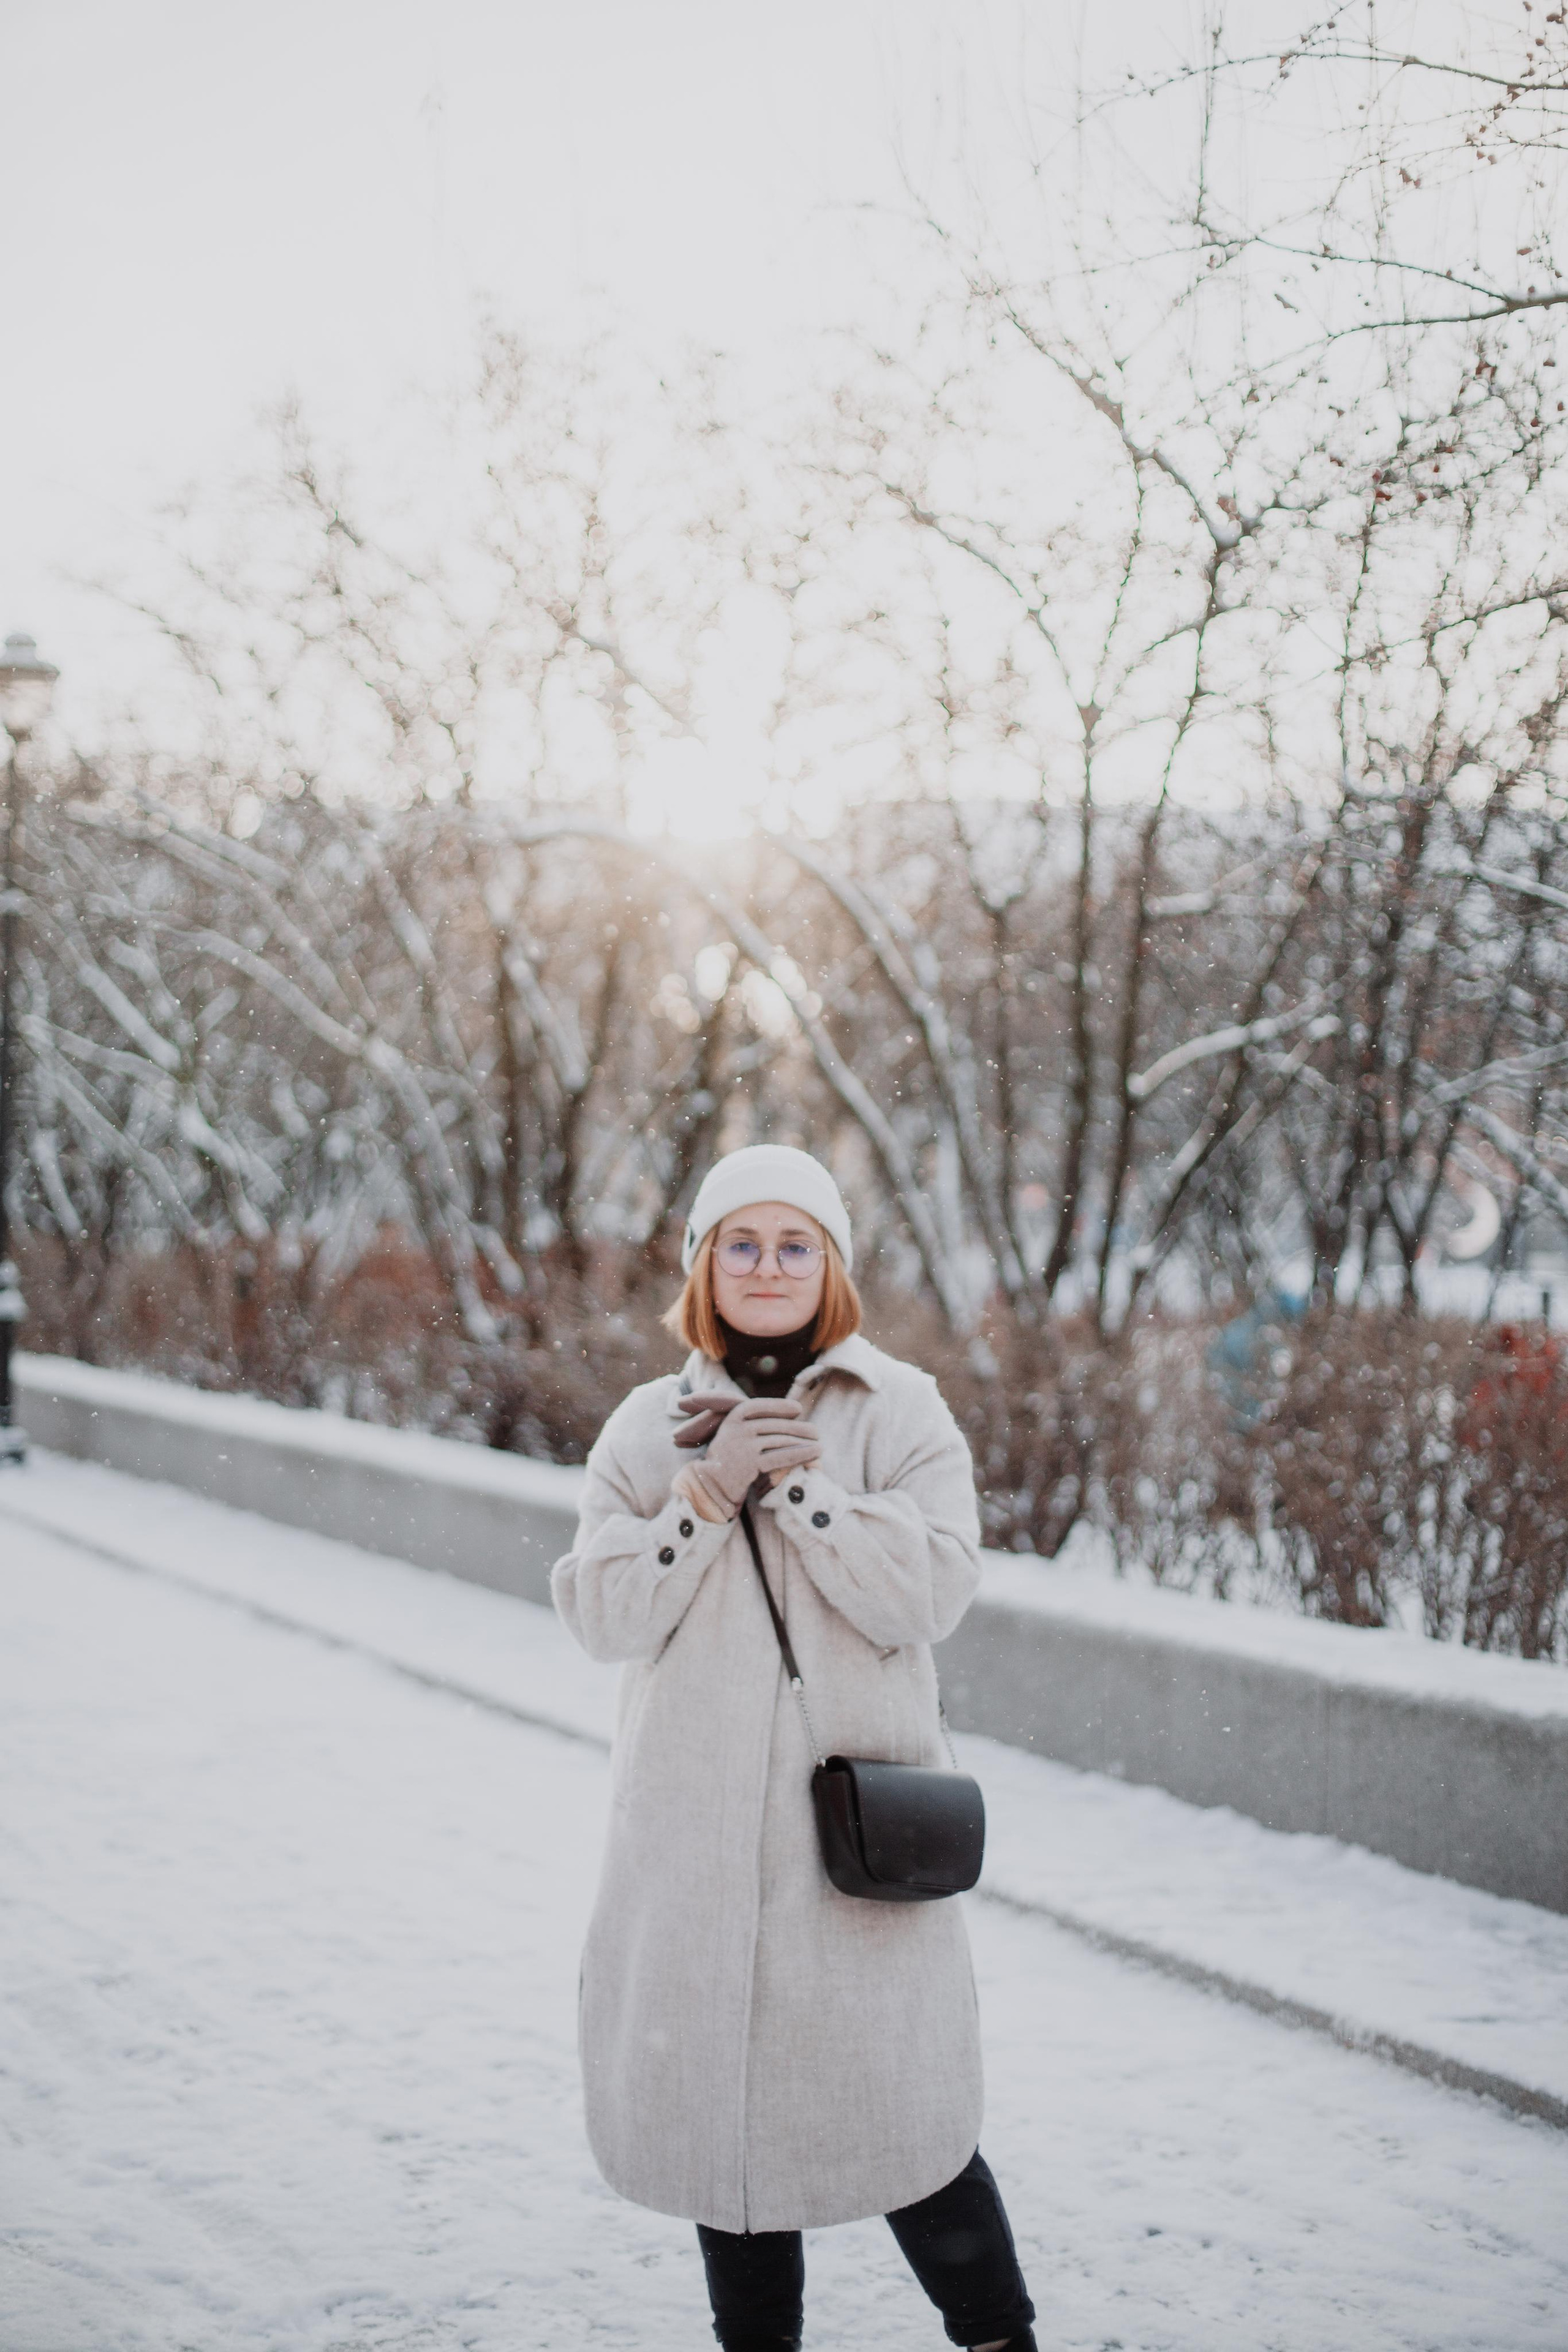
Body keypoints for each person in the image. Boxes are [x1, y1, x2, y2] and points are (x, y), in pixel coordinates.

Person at [551, 1145, 1036, 2352]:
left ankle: (998, 2339)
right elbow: (599, 1617)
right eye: (741, 1243)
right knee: (736, 2147)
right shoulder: (642, 1429)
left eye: (794, 1244)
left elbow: (930, 1591)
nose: (766, 1266)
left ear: (831, 1269)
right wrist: (704, 1495)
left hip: (853, 1848)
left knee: (911, 2130)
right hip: (695, 1850)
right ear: (703, 1267)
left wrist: (804, 1491)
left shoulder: (901, 1410)